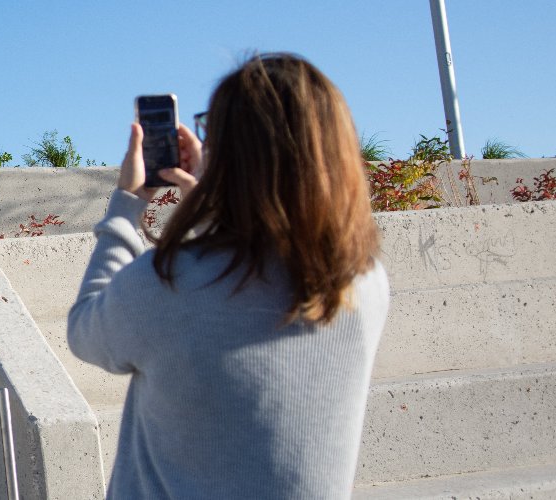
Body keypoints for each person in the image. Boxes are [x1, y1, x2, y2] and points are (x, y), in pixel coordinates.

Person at [68, 53, 390, 499]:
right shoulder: (364, 282)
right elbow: (250, 270)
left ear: (229, 155)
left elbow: (86, 329)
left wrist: (127, 201)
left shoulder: (167, 284)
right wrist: (216, 205)